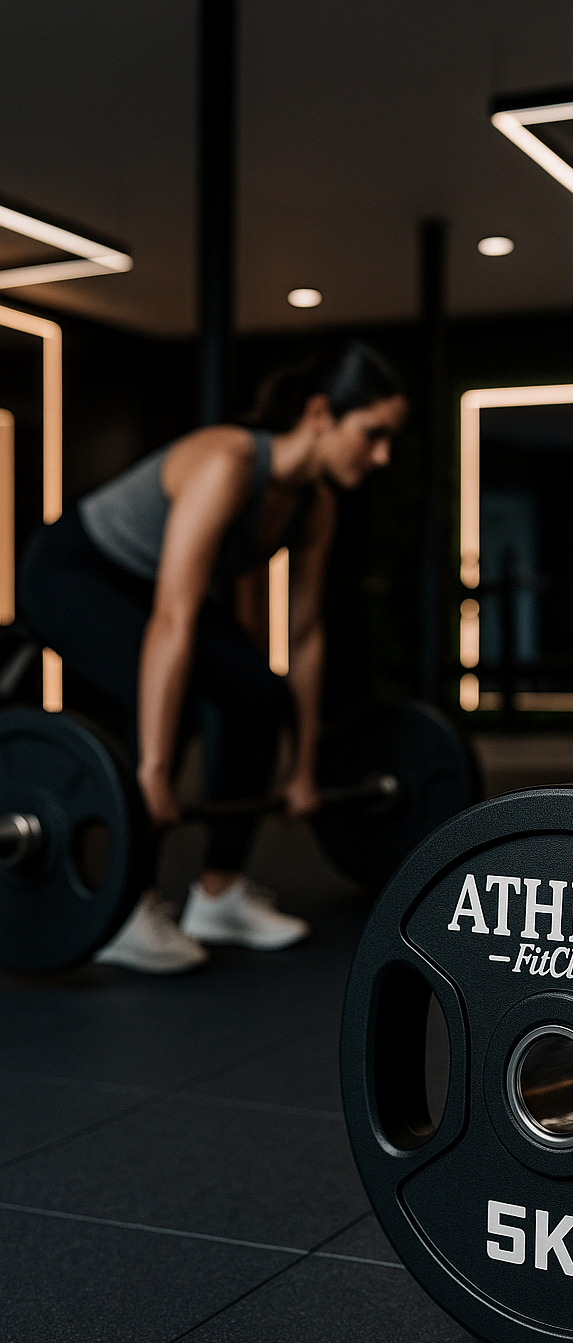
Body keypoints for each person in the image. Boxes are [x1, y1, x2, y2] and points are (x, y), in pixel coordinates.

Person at [18, 342, 407, 973]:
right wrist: (152, 774)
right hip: (75, 572)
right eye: (373, 434)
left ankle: (219, 894)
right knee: (162, 695)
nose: (383, 454)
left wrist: (303, 768)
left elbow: (304, 637)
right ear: (320, 415)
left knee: (258, 692)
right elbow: (172, 619)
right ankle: (124, 909)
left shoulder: (315, 507)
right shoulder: (229, 464)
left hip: (154, 590)